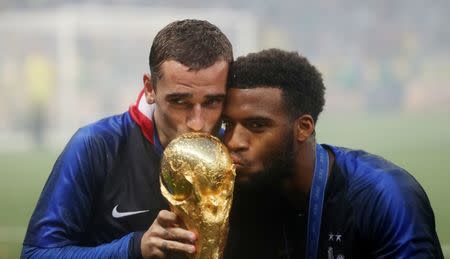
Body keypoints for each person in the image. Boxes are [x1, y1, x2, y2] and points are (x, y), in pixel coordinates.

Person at [22, 19, 233, 258]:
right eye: (179, 101)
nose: (197, 123)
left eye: (212, 102)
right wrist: (134, 248)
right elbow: (35, 254)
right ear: (150, 88)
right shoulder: (97, 146)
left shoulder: (234, 153)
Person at [222, 49, 444, 258]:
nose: (233, 141)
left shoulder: (383, 196)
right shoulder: (230, 193)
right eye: (228, 124)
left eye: (257, 125)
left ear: (304, 127)